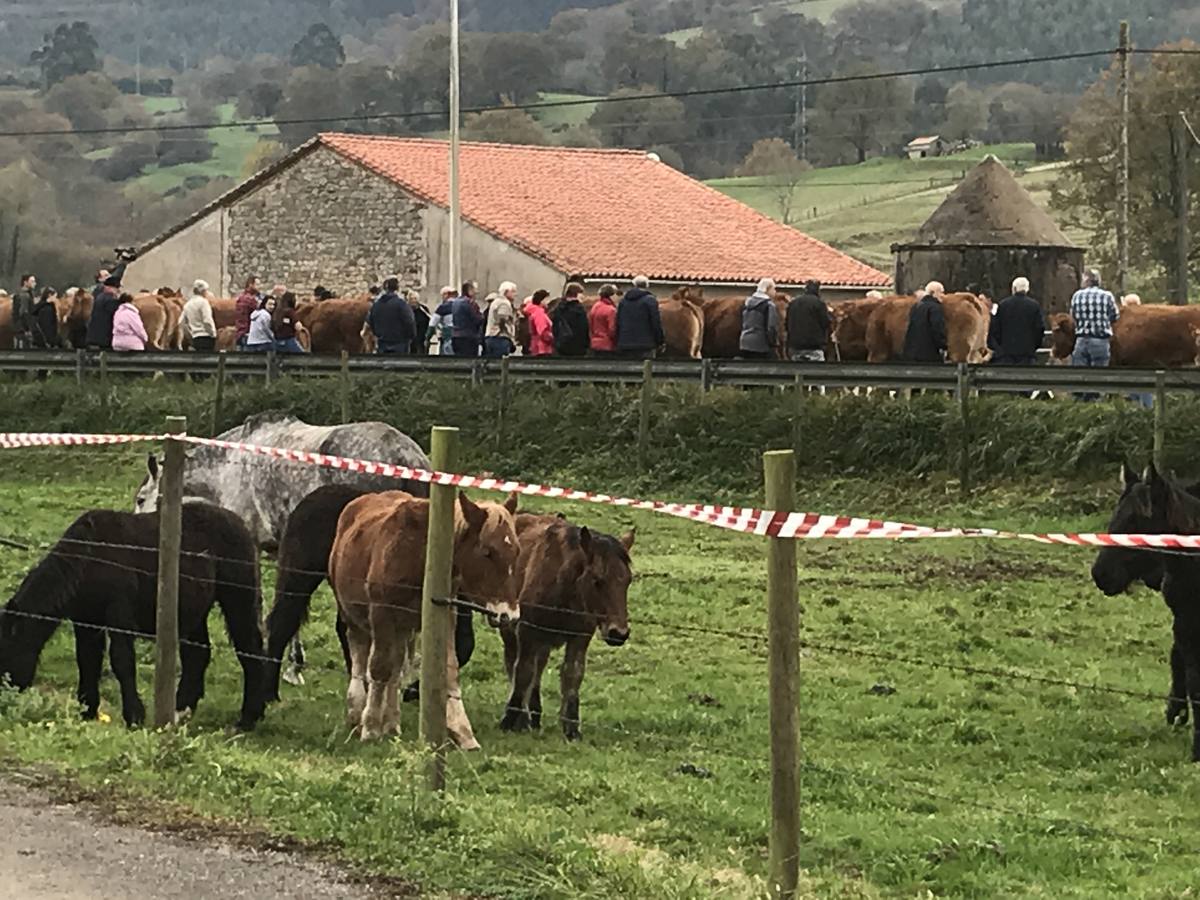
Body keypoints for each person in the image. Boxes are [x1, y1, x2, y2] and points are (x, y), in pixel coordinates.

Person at [1069, 269, 1119, 402]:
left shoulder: (1077, 296)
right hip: (1100, 340)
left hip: (1081, 340)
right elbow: (1115, 316)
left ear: (1086, 280)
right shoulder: (1107, 296)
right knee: (1098, 375)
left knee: (1080, 375)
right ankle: (1095, 403)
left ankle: (1080, 403)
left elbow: (1073, 316)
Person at [988, 276, 1047, 366]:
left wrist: (999, 347)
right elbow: (1039, 329)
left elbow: (995, 329)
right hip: (1027, 355)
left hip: (1006, 355)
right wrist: (1034, 346)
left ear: (1014, 289)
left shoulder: (1003, 305)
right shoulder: (1034, 306)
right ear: (1027, 289)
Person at [616, 275, 664, 359]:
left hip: (625, 343)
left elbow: (618, 322)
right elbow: (655, 322)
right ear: (647, 286)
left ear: (634, 285)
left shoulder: (623, 302)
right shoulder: (650, 301)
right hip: (646, 344)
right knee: (646, 369)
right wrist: (660, 341)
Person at [365, 277, 416, 355]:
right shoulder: (402, 305)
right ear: (397, 288)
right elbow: (410, 321)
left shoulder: (376, 305)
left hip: (382, 343)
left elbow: (370, 322)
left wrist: (378, 334)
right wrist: (411, 336)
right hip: (400, 344)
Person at [786, 279, 832, 362]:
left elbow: (787, 323)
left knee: (797, 371)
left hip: (795, 346)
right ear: (818, 290)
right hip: (814, 346)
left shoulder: (793, 303)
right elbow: (826, 323)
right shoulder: (819, 303)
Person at [903, 281, 948, 363]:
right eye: (941, 292)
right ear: (932, 293)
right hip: (929, 354)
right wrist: (943, 346)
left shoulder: (916, 307)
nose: (943, 295)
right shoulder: (935, 308)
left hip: (911, 353)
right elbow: (937, 329)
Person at [740, 277, 780, 360]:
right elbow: (771, 327)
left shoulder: (747, 304)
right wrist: (773, 343)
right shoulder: (769, 305)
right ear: (767, 289)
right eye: (774, 289)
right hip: (761, 345)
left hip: (745, 343)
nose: (775, 292)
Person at [85, 274, 124, 350]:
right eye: (116, 288)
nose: (118, 290)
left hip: (94, 336)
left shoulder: (99, 297)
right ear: (109, 287)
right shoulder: (111, 300)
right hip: (104, 338)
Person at [552, 282, 590, 357]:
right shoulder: (579, 310)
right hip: (577, 345)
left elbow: (555, 326)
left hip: (561, 344)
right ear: (577, 294)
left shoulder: (558, 308)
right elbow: (583, 328)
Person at [484, 281, 518, 358]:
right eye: (513, 291)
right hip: (500, 338)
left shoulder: (496, 301)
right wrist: (510, 337)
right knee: (501, 363)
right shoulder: (504, 303)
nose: (515, 294)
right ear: (506, 292)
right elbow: (503, 320)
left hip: (491, 337)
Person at [182, 279, 218, 352]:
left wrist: (190, 335)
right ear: (203, 291)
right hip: (206, 337)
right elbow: (207, 320)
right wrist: (213, 334)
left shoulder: (187, 305)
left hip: (195, 337)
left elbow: (182, 323)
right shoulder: (203, 303)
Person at [450, 281, 483, 357]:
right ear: (470, 290)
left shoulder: (455, 302)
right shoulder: (470, 303)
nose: (477, 292)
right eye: (475, 289)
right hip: (468, 337)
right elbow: (477, 319)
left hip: (456, 336)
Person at [589, 284, 619, 356]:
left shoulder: (595, 306)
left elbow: (590, 324)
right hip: (607, 344)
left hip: (594, 343)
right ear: (612, 295)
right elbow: (612, 330)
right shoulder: (611, 310)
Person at [426, 285, 456, 355]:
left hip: (448, 337)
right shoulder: (462, 306)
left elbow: (432, 324)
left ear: (446, 295)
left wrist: (428, 337)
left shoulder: (443, 307)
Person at [524, 290, 555, 356]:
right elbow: (542, 332)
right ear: (542, 300)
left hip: (537, 347)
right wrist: (554, 338)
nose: (548, 302)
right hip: (542, 348)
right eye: (547, 299)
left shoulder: (535, 312)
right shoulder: (539, 313)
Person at [234, 276, 261, 349]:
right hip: (248, 333)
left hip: (240, 332)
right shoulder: (250, 300)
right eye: (257, 284)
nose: (260, 287)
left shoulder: (241, 297)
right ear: (250, 285)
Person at [11, 274, 37, 350]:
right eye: (32, 281)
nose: (35, 283)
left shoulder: (25, 294)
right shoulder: (24, 295)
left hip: (20, 327)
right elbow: (23, 312)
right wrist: (27, 329)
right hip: (23, 328)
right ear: (25, 282)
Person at [406, 290, 431, 355]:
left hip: (421, 339)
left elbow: (429, 321)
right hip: (408, 340)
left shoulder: (423, 309)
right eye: (411, 299)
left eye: (415, 299)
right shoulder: (405, 310)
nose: (413, 301)